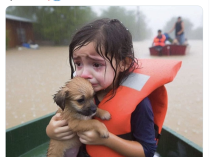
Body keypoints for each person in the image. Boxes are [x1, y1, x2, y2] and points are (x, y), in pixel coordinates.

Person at [46, 18, 181, 157]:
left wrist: (107, 140)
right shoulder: (82, 91)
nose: (84, 74)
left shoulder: (140, 105)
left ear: (124, 63)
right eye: (78, 63)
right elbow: (66, 120)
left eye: (96, 65)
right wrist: (51, 130)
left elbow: (147, 151)